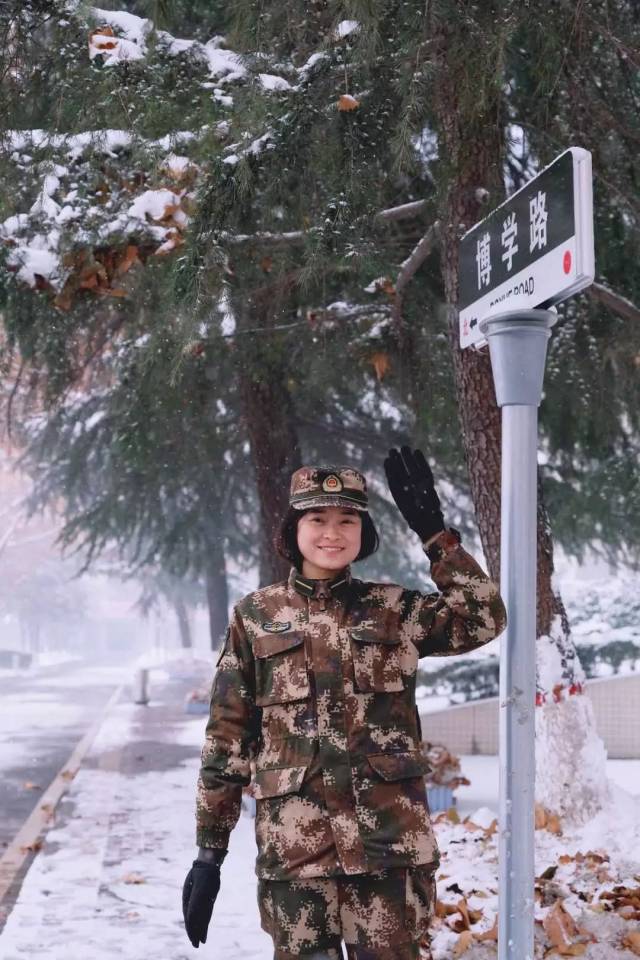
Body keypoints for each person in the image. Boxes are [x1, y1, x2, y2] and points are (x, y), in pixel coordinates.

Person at [182, 448, 507, 959]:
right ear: (294, 528)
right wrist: (208, 854)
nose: (332, 533)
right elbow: (227, 740)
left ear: (363, 532)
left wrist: (436, 537)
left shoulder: (395, 609)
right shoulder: (256, 617)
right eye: (318, 519)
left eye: (347, 520)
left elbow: (484, 619)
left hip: (389, 849)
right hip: (297, 854)